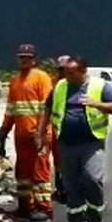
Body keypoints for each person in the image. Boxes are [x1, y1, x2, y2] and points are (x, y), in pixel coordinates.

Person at [38, 56, 112, 222]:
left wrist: (97, 104)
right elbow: (47, 109)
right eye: (65, 73)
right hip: (66, 143)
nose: (67, 77)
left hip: (91, 143)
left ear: (83, 71)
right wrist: (40, 134)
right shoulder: (60, 87)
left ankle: (94, 220)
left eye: (71, 73)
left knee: (92, 178)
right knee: (71, 183)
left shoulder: (100, 86)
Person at [0, 44, 54, 221]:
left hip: (38, 135)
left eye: (27, 57)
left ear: (33, 60)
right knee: (22, 173)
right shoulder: (15, 81)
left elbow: (47, 108)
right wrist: (3, 131)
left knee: (40, 173)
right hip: (21, 135)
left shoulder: (41, 78)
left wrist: (41, 132)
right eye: (21, 57)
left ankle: (43, 208)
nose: (24, 60)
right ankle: (25, 206)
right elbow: (11, 110)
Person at [49, 55, 71, 203]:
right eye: (60, 69)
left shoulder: (76, 84)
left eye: (65, 69)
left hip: (73, 130)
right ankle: (61, 187)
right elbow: (46, 107)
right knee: (58, 160)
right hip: (57, 130)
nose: (62, 72)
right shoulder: (54, 85)